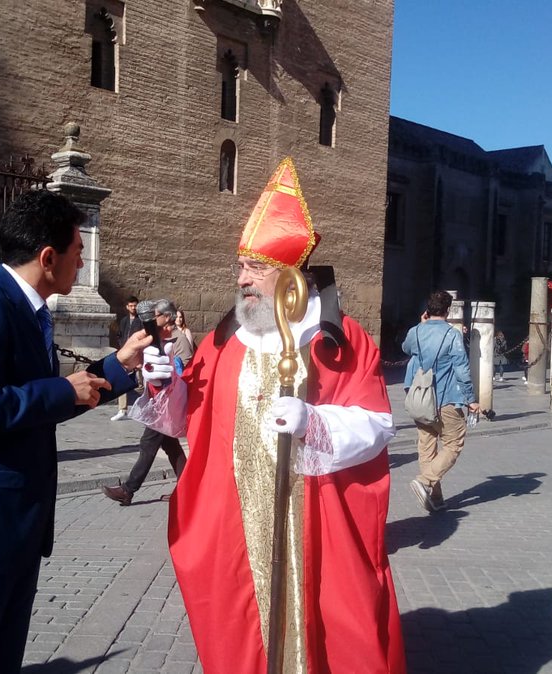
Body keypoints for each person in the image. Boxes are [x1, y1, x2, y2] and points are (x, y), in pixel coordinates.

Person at [134, 158, 405, 673]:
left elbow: (377, 425)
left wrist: (313, 422)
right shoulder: (222, 340)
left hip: (317, 521)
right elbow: (189, 419)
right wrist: (162, 386)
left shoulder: (340, 341)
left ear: (289, 276)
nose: (241, 279)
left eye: (253, 268)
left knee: (336, 624)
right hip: (236, 518)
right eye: (240, 266)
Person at [0, 190, 152, 673]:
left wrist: (117, 368)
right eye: (78, 252)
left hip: (13, 535)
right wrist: (63, 391)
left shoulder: (30, 312)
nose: (82, 264)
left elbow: (37, 405)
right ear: (47, 257)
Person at [102, 299, 194, 505]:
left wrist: (170, 373)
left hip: (167, 403)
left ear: (167, 317)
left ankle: (128, 490)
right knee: (171, 447)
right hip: (156, 399)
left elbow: (186, 366)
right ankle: (188, 489)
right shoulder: (154, 337)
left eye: (156, 314)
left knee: (148, 444)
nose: (153, 318)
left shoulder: (178, 338)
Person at [403, 290, 479, 513]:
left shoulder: (416, 331)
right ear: (448, 310)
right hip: (445, 398)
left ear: (428, 309)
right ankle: (425, 481)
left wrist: (420, 325)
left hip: (419, 397)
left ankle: (435, 498)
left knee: (426, 447)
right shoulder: (451, 335)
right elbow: (462, 369)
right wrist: (471, 399)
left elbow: (405, 348)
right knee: (454, 444)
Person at [111, 295, 143, 421]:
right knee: (121, 380)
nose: (133, 308)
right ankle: (122, 409)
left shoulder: (141, 321)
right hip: (126, 354)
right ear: (127, 307)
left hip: (138, 355)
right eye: (131, 306)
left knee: (140, 384)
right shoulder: (124, 321)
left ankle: (142, 407)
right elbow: (119, 335)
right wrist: (122, 346)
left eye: (135, 305)